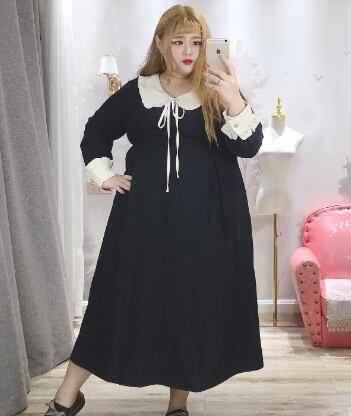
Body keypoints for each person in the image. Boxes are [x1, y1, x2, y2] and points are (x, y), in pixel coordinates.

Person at [44, 4, 264, 416]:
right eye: (178, 41)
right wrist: (104, 175)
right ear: (161, 44)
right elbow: (96, 131)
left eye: (196, 42)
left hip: (207, 224)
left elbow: (249, 146)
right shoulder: (136, 92)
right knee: (114, 300)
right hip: (142, 221)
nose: (188, 51)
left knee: (189, 306)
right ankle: (66, 397)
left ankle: (177, 405)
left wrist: (233, 96)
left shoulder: (217, 91)